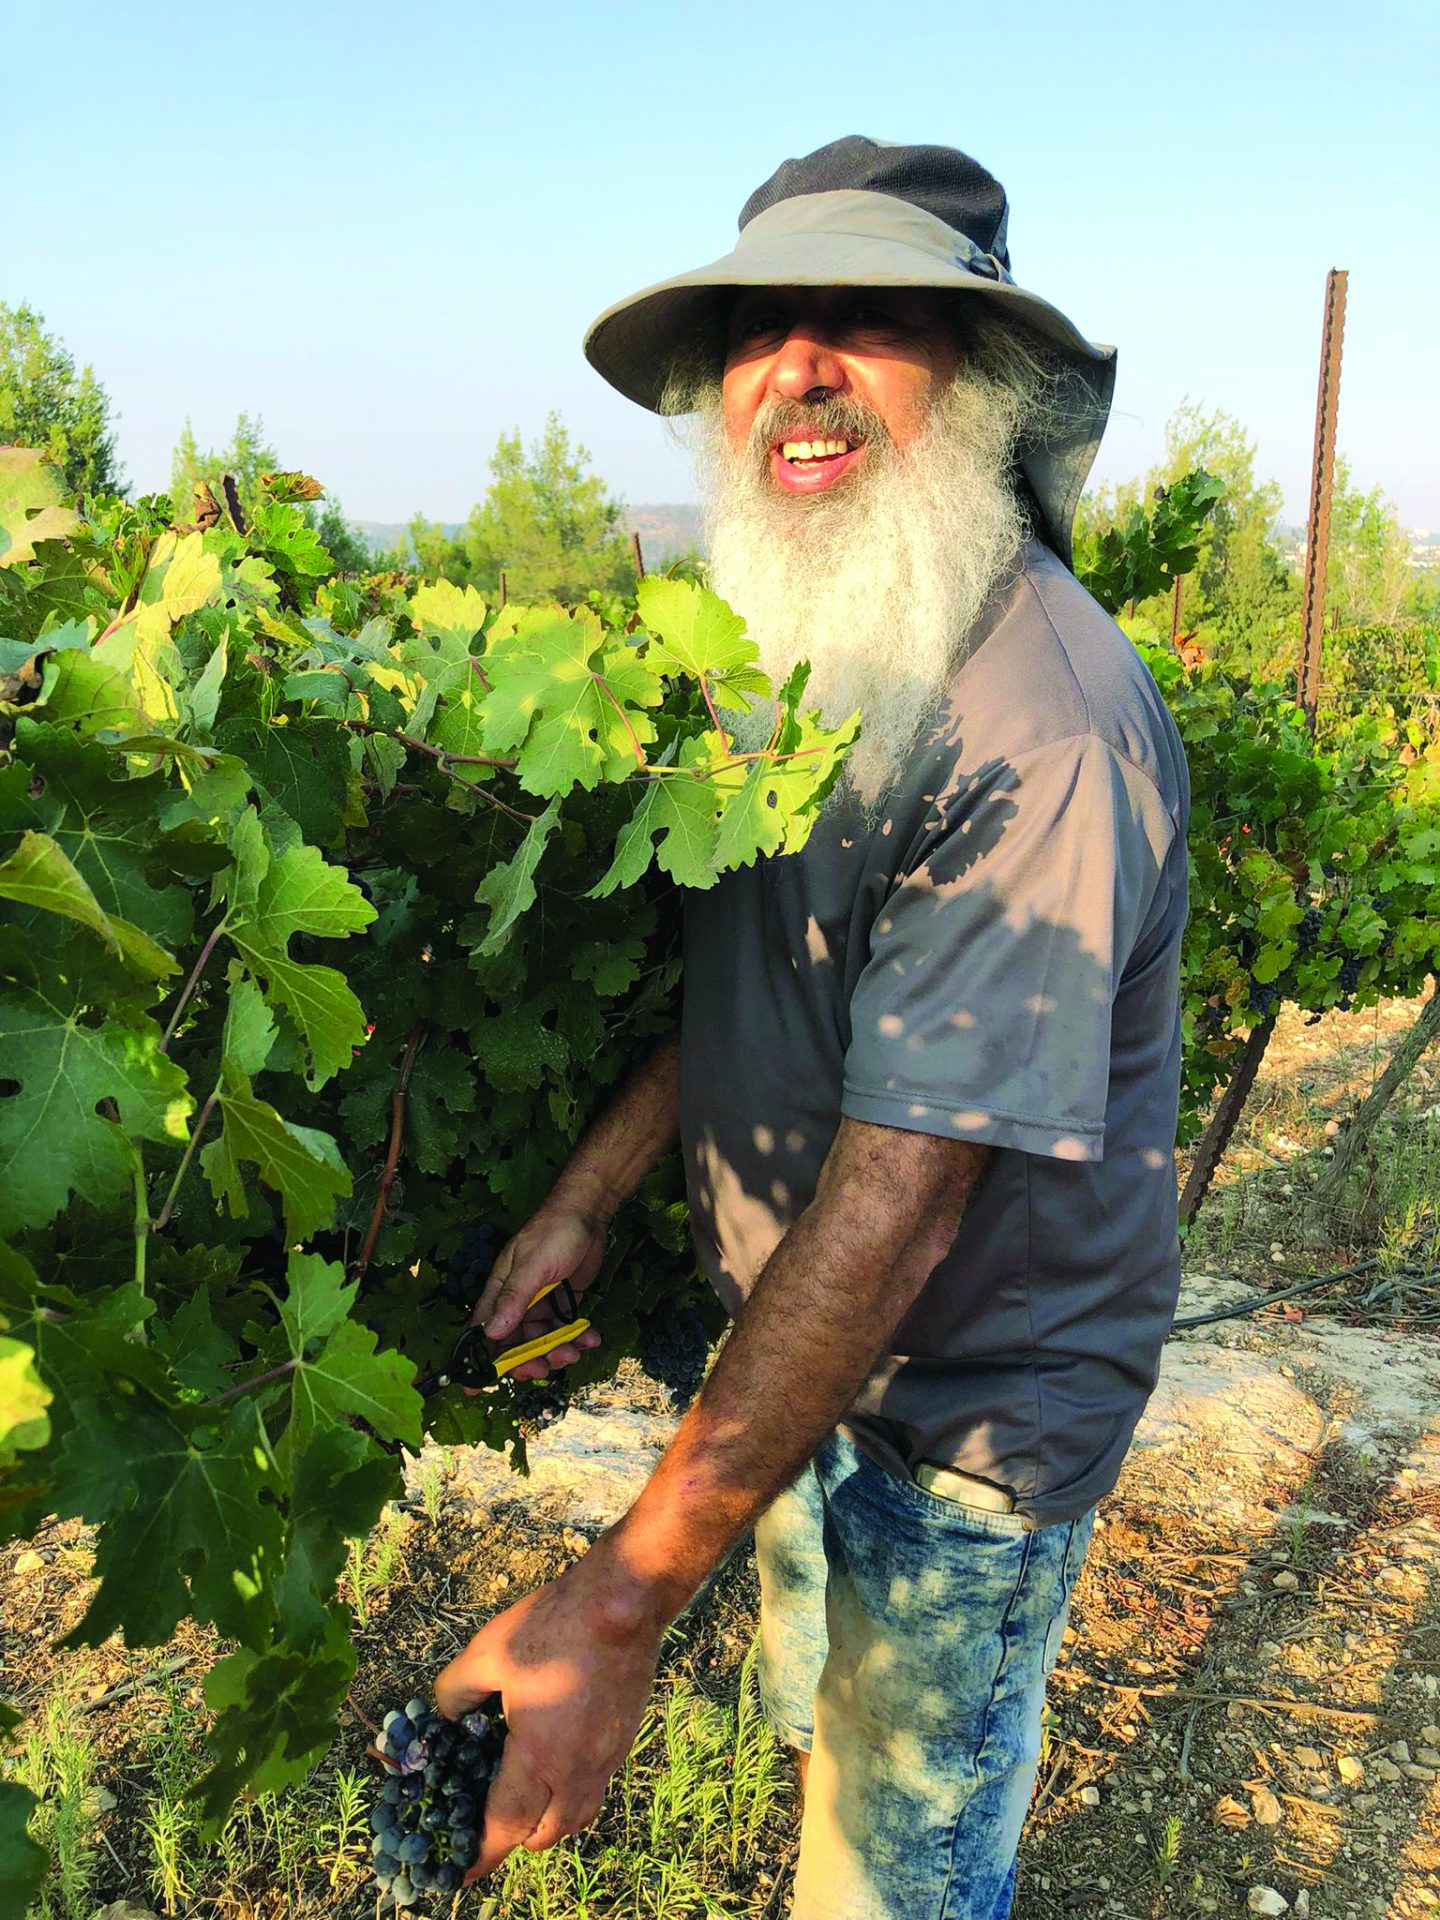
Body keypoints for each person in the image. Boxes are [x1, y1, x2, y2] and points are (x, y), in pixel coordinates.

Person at [434, 136, 1190, 1920]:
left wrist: (614, 1603)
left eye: (871, 320)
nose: (803, 365)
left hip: (966, 1425)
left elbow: (906, 1188)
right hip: (808, 1369)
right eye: (765, 324)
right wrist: (597, 1192)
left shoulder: (1040, 730)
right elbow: (785, 984)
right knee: (828, 1806)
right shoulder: (824, 652)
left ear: (991, 383)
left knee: (898, 1889)